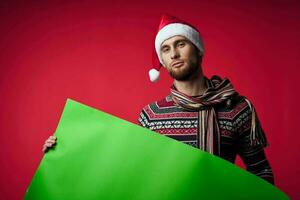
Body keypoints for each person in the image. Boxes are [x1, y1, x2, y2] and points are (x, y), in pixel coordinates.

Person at [43, 14, 274, 185]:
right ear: (162, 60)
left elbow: (260, 170)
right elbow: (131, 171)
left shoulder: (237, 108)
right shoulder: (151, 116)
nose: (173, 54)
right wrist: (64, 150)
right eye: (165, 49)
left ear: (198, 49)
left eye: (180, 44)